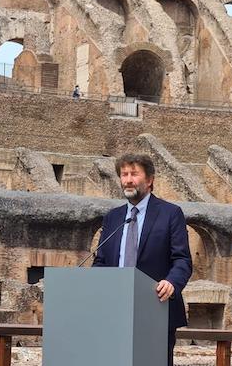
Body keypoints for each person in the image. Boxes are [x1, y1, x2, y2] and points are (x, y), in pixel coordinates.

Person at [93, 154, 192, 366]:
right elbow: (100, 261)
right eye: (124, 174)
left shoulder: (171, 214)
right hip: (115, 312)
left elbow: (182, 260)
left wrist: (172, 282)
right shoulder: (113, 217)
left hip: (156, 309)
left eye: (134, 174)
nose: (128, 180)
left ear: (149, 180)